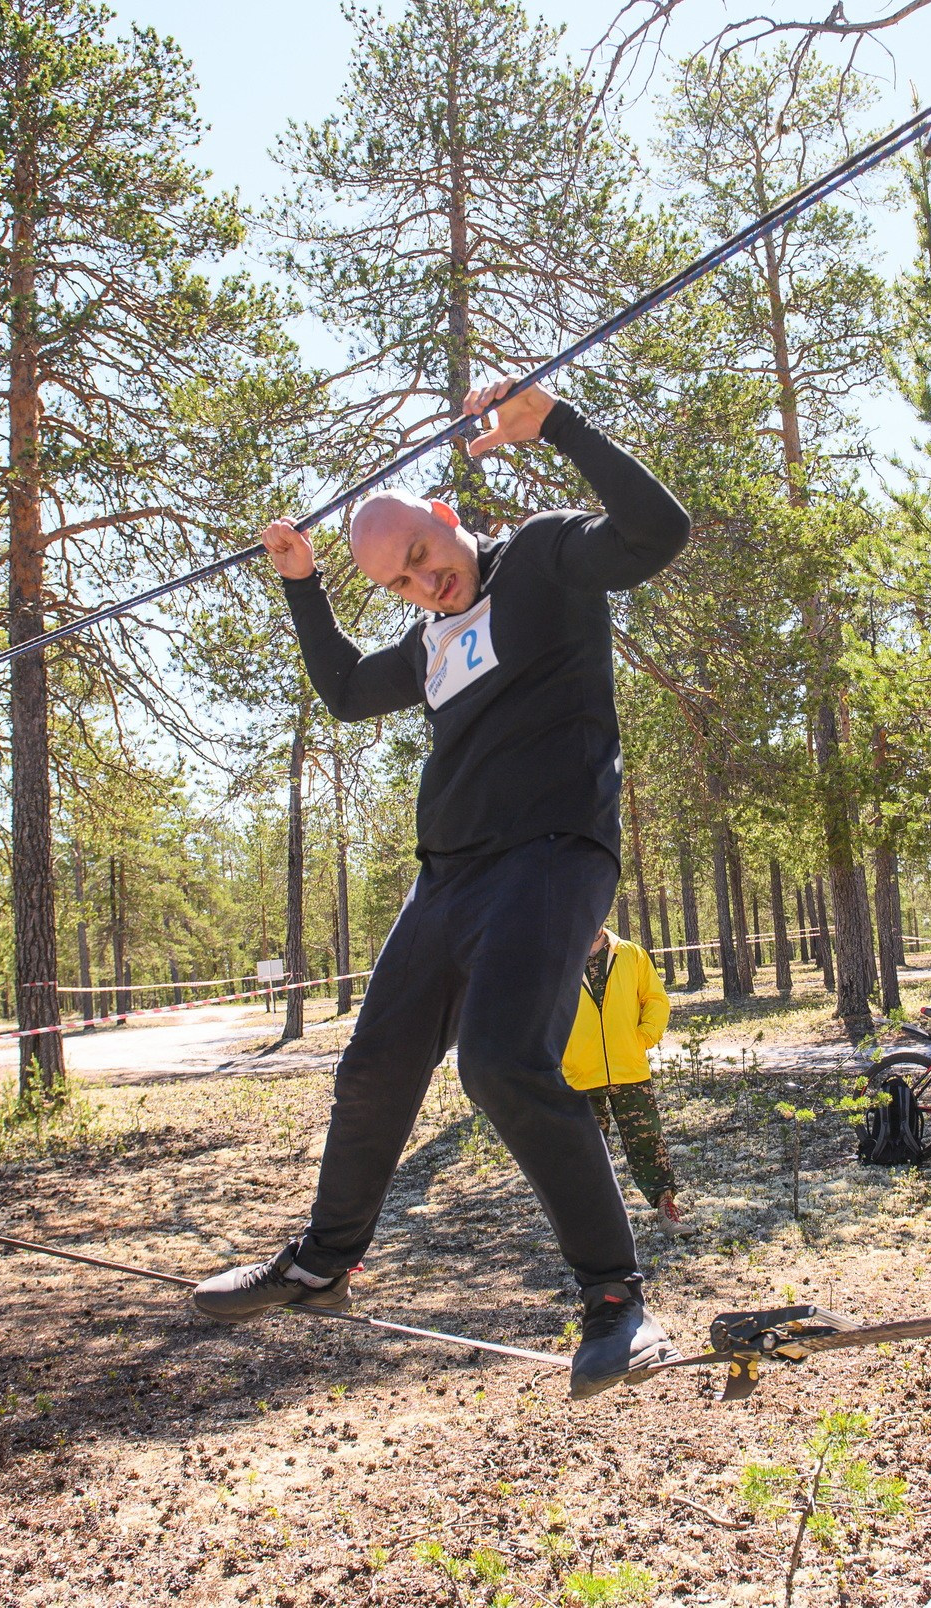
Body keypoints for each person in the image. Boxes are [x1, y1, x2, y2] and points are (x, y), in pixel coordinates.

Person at [191, 377, 692, 1399]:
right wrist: (302, 582)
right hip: (449, 880)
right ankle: (323, 1264)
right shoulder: (424, 648)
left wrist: (554, 424)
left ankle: (614, 1300)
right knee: (373, 1066)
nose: (425, 584)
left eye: (425, 554)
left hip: (552, 854)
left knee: (503, 1064)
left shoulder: (546, 557)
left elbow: (656, 532)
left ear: (450, 518)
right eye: (402, 583)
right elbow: (339, 692)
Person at [562, 925, 684, 1224]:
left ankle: (665, 1207)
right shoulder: (559, 958)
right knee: (585, 1151)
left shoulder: (629, 953)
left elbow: (655, 999)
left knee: (647, 1142)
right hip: (580, 1075)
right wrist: (561, 1051)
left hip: (629, 1070)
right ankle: (591, 1222)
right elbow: (542, 1010)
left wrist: (643, 1036)